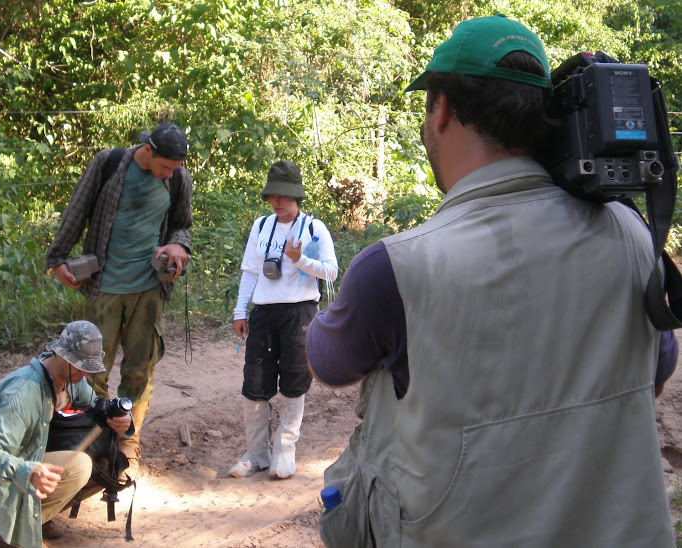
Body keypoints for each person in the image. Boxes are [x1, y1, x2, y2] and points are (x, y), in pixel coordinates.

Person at [307, 14, 677, 547]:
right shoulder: (632, 235)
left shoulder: (396, 268)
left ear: (444, 112)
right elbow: (656, 371)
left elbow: (328, 361)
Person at [45, 122, 193, 473]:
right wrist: (57, 259)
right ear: (149, 151)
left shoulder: (178, 178)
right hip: (104, 289)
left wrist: (178, 245)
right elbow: (76, 210)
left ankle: (128, 442)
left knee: (140, 369)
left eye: (175, 168)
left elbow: (182, 224)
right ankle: (92, 441)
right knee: (89, 369)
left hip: (149, 290)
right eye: (166, 166)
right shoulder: (109, 164)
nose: (170, 173)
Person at [0, 320, 133, 548]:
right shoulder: (22, 392)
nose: (84, 372)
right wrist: (28, 471)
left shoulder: (71, 378)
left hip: (36, 457)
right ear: (59, 354)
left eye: (89, 366)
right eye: (79, 365)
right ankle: (8, 528)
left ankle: (39, 516)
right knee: (79, 465)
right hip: (8, 476)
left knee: (110, 462)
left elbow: (97, 406)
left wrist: (122, 419)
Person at [230, 160, 338, 479]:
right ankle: (256, 453)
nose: (277, 201)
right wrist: (240, 311)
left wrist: (300, 260)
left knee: (294, 379)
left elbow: (331, 271)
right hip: (264, 312)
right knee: (255, 381)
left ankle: (285, 450)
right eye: (272, 195)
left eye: (284, 195)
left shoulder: (313, 228)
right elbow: (250, 271)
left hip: (300, 311)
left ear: (297, 196)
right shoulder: (262, 226)